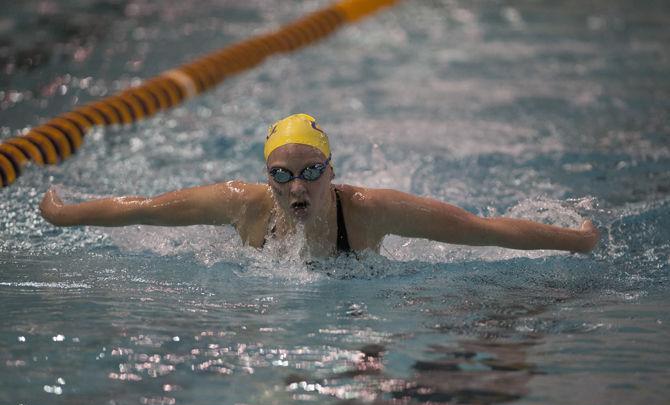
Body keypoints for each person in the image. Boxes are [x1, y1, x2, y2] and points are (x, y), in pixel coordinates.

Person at [40, 113, 599, 257]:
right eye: (282, 175)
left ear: (332, 170)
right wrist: (66, 215)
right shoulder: (243, 206)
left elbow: (483, 231)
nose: (297, 186)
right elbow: (144, 210)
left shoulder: (371, 212)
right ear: (270, 178)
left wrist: (576, 240)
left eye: (312, 171)